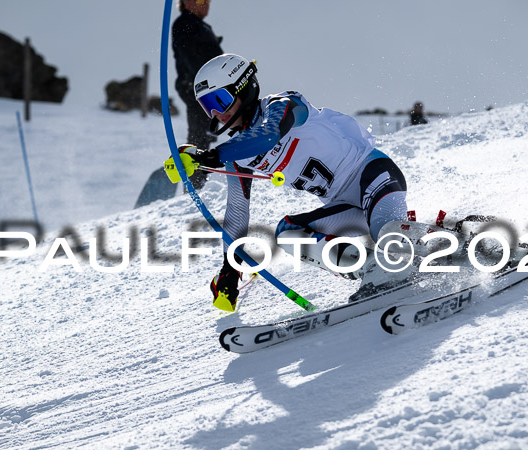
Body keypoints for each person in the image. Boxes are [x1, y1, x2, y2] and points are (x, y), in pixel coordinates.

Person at [177, 54, 409, 311]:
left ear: (244, 87)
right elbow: (236, 213)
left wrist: (212, 156)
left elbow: (267, 136)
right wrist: (230, 269)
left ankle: (403, 258)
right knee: (287, 234)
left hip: (374, 175)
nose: (217, 113)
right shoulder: (237, 156)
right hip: (346, 208)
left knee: (388, 234)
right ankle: (370, 269)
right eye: (208, 106)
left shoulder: (284, 104)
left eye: (221, 100)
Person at [172, 0, 223, 189]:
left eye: (208, 1)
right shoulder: (185, 23)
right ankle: (194, 182)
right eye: (201, 0)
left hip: (206, 84)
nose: (207, 4)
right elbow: (190, 54)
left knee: (205, 130)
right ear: (187, 2)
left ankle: (199, 179)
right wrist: (208, 77)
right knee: (199, 131)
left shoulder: (198, 24)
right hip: (196, 85)